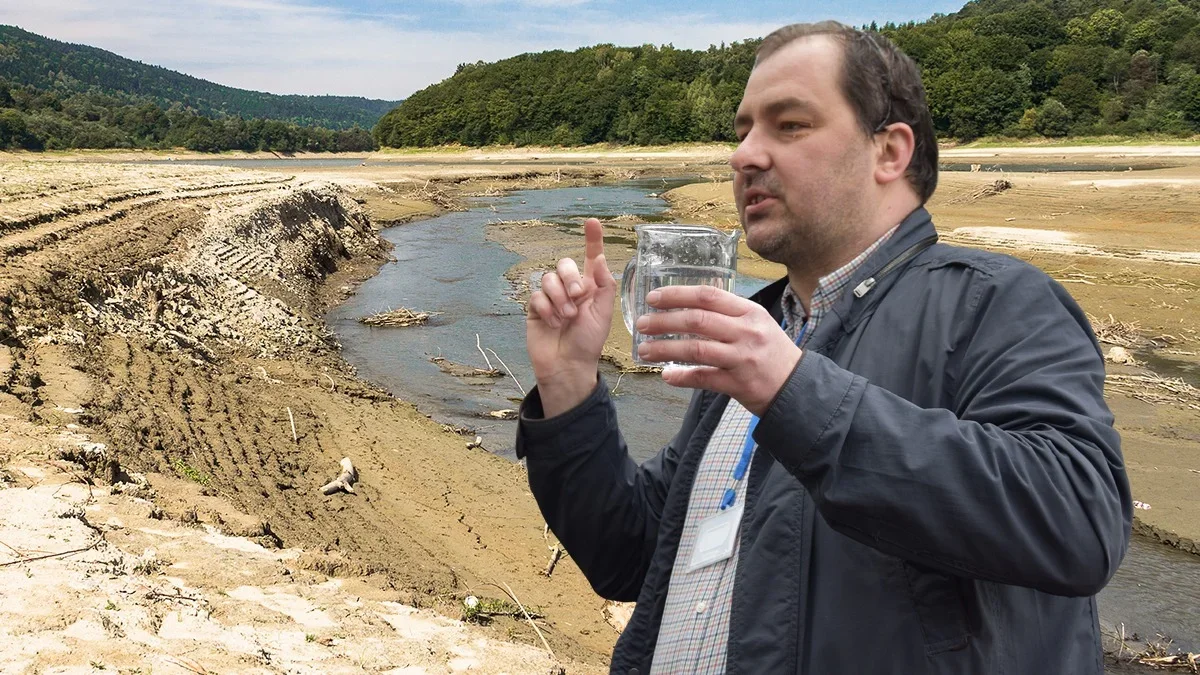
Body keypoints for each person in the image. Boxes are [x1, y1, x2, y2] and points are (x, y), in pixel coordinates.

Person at [516, 20, 1131, 675]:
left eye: (789, 125)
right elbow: (634, 553)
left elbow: (1079, 519)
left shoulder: (995, 302)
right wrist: (570, 385)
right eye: (742, 130)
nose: (744, 155)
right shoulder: (761, 329)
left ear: (889, 152)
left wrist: (797, 391)